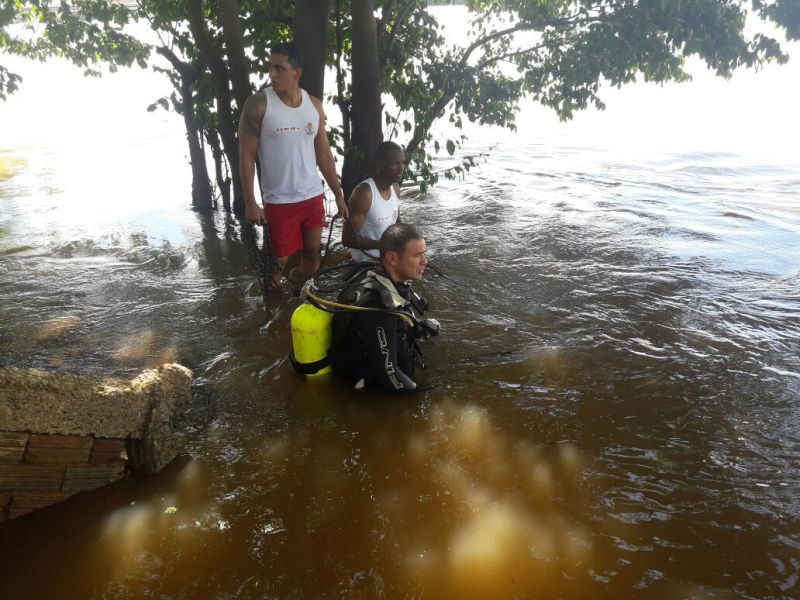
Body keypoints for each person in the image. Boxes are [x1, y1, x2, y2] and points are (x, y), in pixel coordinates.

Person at [238, 41, 347, 280]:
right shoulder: (258, 105)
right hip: (279, 200)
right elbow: (246, 155)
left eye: (279, 68)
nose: (272, 74)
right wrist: (250, 202)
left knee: (312, 253)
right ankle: (273, 309)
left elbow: (324, 155)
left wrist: (338, 194)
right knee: (276, 263)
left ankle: (304, 297)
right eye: (270, 67)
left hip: (312, 195)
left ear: (296, 72)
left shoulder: (314, 106)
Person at [329, 223, 440, 393]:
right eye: (417, 255)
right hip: (369, 389)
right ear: (392, 258)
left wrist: (417, 327)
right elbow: (388, 373)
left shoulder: (379, 275)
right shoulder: (379, 307)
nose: (425, 261)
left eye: (424, 253)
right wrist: (423, 396)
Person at [342, 141, 405, 261]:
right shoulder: (365, 193)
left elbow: (397, 221)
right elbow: (347, 239)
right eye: (395, 163)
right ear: (380, 164)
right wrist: (381, 245)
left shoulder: (395, 187)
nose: (401, 168)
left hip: (388, 257)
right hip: (366, 261)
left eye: (403, 163)